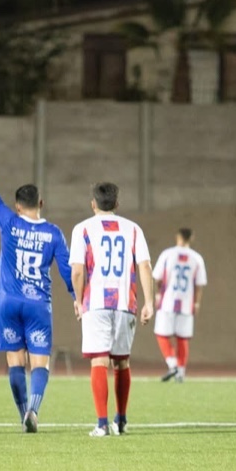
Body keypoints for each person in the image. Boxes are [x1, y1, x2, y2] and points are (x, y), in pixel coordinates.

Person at [0, 135, 75, 433]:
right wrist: (76, 296)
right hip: (38, 304)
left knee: (15, 363)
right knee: (40, 364)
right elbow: (67, 269)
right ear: (41, 203)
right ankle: (34, 410)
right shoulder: (53, 233)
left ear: (17, 206)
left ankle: (21, 415)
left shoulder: (9, 221)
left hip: (8, 303)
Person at [70, 183, 155, 436]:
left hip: (95, 303)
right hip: (124, 303)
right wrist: (150, 302)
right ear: (117, 204)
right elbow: (145, 266)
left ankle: (102, 424)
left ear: (93, 204)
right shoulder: (133, 229)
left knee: (99, 360)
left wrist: (78, 299)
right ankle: (121, 421)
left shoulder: (82, 228)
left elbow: (77, 271)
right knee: (121, 362)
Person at [152, 228, 207, 383]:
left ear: (178, 237)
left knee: (161, 334)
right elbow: (199, 284)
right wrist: (196, 303)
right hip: (186, 302)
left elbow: (157, 278)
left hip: (167, 300)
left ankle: (172, 363)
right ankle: (181, 372)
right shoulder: (197, 258)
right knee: (182, 338)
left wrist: (157, 294)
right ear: (192, 238)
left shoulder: (167, 254)